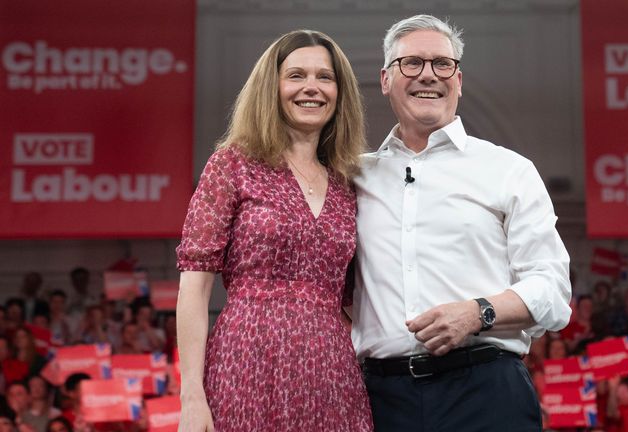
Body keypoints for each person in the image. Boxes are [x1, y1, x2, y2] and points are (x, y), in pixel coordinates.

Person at [351, 14, 571, 431]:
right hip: (380, 401)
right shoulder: (354, 177)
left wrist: (478, 312)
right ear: (384, 79)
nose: (428, 75)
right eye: (411, 63)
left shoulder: (508, 169)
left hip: (486, 394)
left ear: (459, 78)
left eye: (442, 64)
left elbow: (553, 290)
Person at [175, 29, 371, 431]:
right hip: (245, 362)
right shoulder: (232, 165)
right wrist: (191, 395)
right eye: (296, 75)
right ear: (272, 86)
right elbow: (193, 289)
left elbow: (358, 298)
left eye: (325, 77)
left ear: (340, 92)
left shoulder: (348, 182)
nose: (311, 88)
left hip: (331, 373)